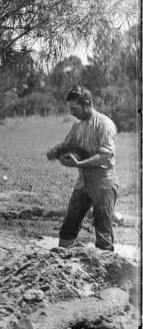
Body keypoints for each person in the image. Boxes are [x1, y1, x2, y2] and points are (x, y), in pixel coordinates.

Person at [46, 86, 118, 251]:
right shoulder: (77, 126)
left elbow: (104, 156)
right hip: (83, 181)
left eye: (74, 109)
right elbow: (67, 146)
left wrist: (78, 164)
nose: (72, 113)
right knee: (68, 226)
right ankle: (60, 262)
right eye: (70, 109)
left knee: (103, 232)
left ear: (88, 104)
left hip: (104, 182)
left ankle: (106, 271)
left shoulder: (104, 124)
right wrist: (56, 152)